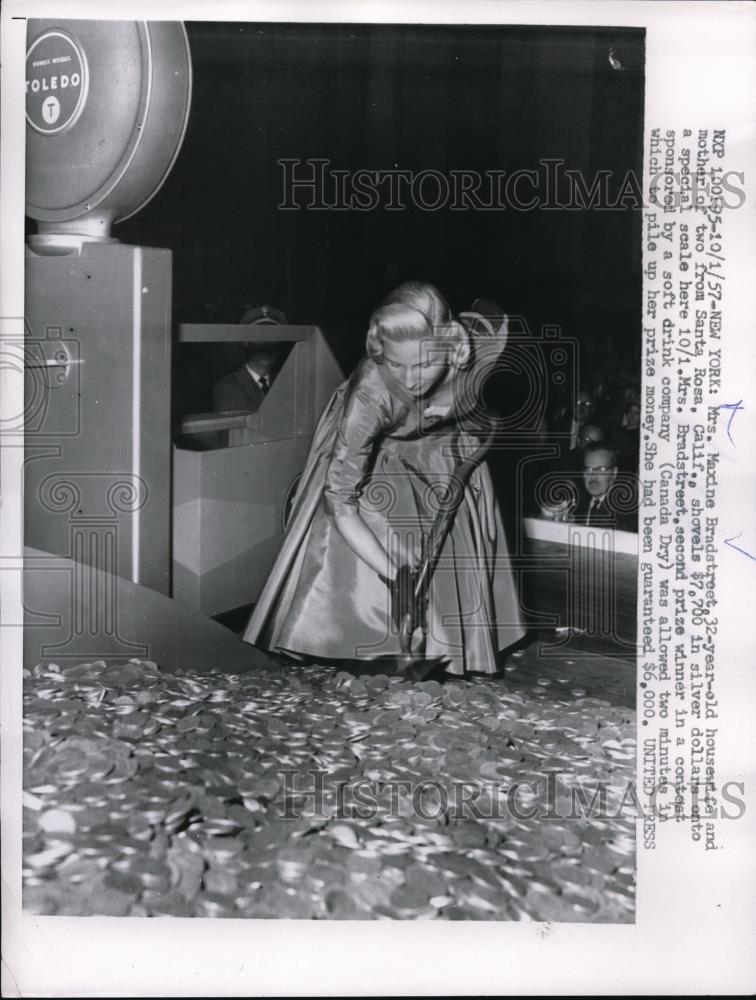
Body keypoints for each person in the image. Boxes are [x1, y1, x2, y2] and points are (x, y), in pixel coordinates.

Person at [243, 281, 525, 676]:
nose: (410, 380)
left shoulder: (475, 349)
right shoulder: (370, 395)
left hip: (439, 445)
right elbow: (341, 502)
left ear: (450, 346)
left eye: (424, 364)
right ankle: (358, 640)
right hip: (378, 448)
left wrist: (463, 413)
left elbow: (486, 383)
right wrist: (397, 578)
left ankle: (456, 641)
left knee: (459, 508)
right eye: (396, 364)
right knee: (385, 518)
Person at [568, 442, 637, 531]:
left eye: (601, 469)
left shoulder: (624, 511)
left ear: (614, 473)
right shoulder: (578, 501)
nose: (593, 476)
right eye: (588, 469)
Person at [213, 342, 278, 414]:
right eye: (260, 348)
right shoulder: (227, 388)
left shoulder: (287, 381)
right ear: (247, 348)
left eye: (271, 347)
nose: (266, 353)